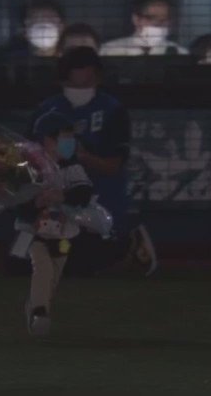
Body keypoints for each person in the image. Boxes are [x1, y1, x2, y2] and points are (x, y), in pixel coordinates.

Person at [19, 47, 158, 277]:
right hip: (54, 200)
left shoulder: (112, 109)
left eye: (87, 68)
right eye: (77, 68)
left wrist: (82, 157)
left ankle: (128, 246)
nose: (84, 73)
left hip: (98, 199)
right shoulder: (47, 109)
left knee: (85, 262)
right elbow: (28, 156)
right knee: (25, 263)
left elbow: (114, 165)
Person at [17, 111, 94, 336]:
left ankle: (35, 307)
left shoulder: (71, 167)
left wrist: (63, 196)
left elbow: (84, 192)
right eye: (65, 136)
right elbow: (17, 202)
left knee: (54, 275)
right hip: (33, 233)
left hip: (63, 235)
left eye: (71, 137)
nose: (70, 142)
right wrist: (36, 203)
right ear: (48, 140)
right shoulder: (29, 167)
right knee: (42, 267)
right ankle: (40, 313)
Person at [100, 0, 188, 57]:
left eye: (164, 20)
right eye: (151, 18)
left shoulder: (180, 54)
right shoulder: (110, 51)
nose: (158, 24)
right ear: (136, 19)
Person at [0, 0, 65, 64]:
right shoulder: (8, 62)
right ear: (25, 30)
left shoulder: (69, 60)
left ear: (62, 27)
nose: (44, 26)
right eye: (36, 19)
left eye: (50, 19)